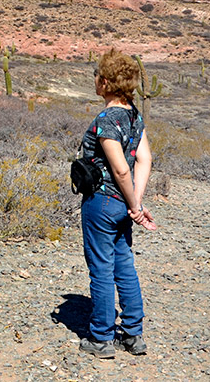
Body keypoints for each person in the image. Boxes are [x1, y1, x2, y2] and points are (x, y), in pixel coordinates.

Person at [79, 49, 155, 359]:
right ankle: (133, 335)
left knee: (101, 268)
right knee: (124, 266)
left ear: (107, 83)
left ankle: (101, 338)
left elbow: (121, 168)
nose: (94, 80)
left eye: (97, 75)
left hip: (102, 202)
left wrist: (134, 205)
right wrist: (135, 201)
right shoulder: (135, 115)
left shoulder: (107, 119)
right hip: (123, 204)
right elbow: (144, 158)